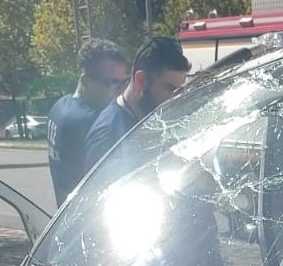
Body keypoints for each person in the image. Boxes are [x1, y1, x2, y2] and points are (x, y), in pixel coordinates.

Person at [83, 35, 190, 175]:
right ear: (141, 80)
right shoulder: (108, 136)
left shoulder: (148, 117)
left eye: (179, 90)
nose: (175, 98)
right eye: (169, 88)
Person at [46, 37, 127, 205]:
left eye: (124, 82)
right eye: (110, 83)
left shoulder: (60, 107)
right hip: (88, 218)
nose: (120, 90)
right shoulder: (89, 121)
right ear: (85, 81)